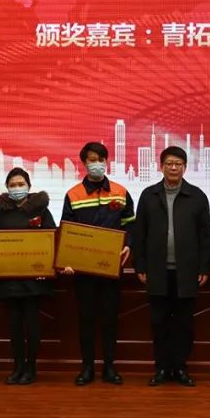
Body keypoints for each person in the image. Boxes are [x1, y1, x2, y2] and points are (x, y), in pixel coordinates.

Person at [132, 146, 210, 387]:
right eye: (169, 163)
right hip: (157, 271)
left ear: (185, 168)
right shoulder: (149, 195)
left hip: (187, 272)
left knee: (184, 324)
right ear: (161, 167)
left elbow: (205, 236)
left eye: (178, 164)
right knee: (159, 323)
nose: (173, 168)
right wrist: (140, 265)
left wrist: (204, 268)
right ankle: (161, 368)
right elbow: (139, 233)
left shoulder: (197, 196)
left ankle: (180, 368)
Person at [60, 142, 135, 386]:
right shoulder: (73, 195)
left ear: (107, 161)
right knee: (87, 320)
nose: (97, 164)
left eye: (101, 159)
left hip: (111, 269)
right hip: (83, 271)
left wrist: (129, 244)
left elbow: (130, 225)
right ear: (84, 163)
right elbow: (67, 231)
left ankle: (110, 367)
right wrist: (68, 260)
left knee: (110, 319)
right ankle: (87, 368)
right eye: (92, 160)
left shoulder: (121, 192)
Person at [0, 167, 56, 385]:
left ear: (29, 186)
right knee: (14, 327)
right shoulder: (0, 212)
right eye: (12, 185)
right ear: (7, 188)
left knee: (32, 326)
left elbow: (52, 238)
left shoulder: (41, 210)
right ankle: (17, 367)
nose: (17, 188)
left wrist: (46, 265)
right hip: (9, 279)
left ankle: (31, 368)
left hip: (33, 280)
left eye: (21, 184)